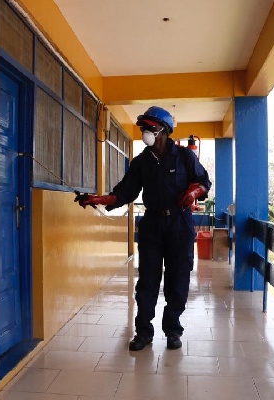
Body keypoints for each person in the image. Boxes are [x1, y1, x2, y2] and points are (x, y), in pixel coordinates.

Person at [76, 106, 211, 351]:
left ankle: (172, 330)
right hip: (152, 225)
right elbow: (124, 193)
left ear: (163, 130)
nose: (145, 132)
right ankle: (143, 332)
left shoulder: (184, 157)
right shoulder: (140, 162)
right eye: (143, 127)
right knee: (147, 280)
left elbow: (203, 181)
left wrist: (193, 191)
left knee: (177, 278)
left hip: (180, 223)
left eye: (149, 127)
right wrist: (98, 200)